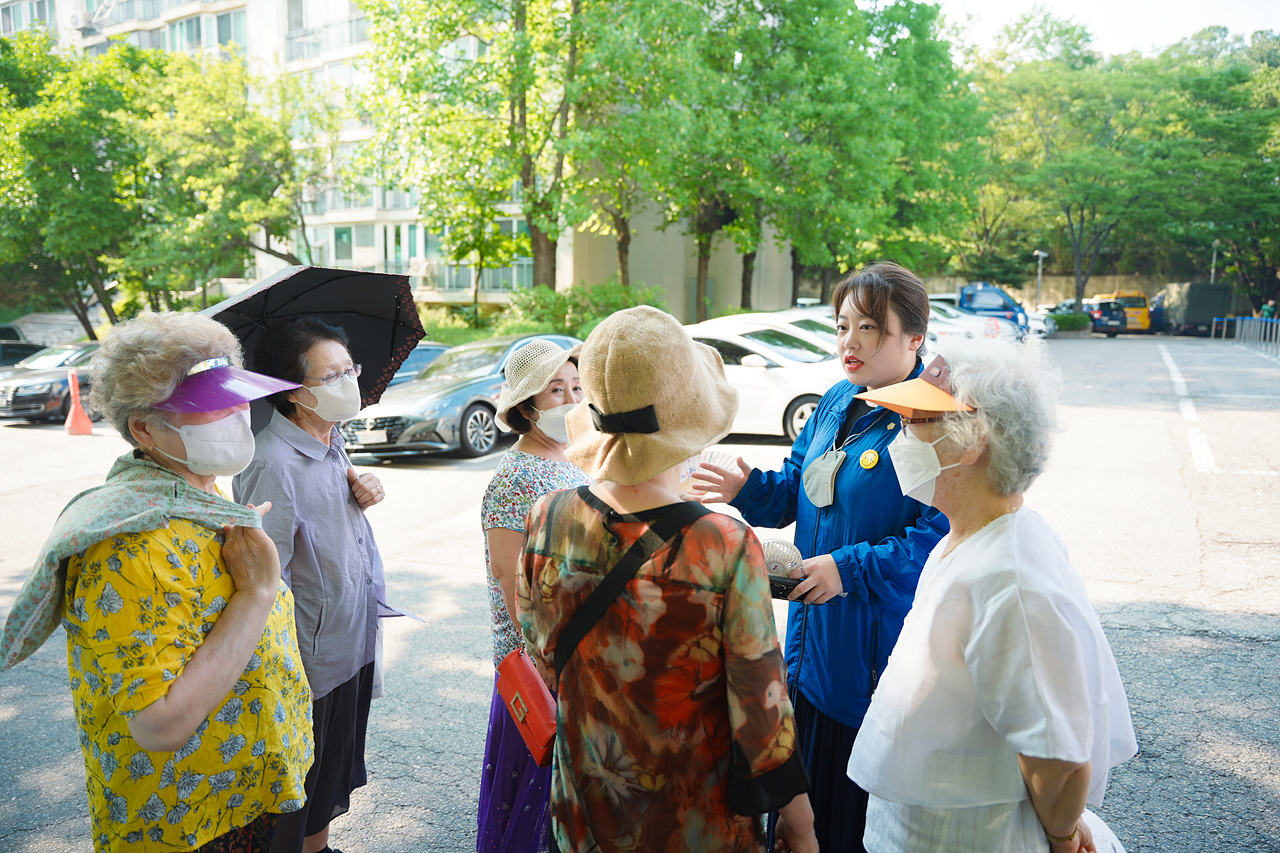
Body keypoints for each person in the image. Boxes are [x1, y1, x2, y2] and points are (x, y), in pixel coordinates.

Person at [0, 312, 313, 852]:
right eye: (209, 404)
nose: (239, 413)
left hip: (241, 796)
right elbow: (159, 726)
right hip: (182, 822)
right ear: (144, 428)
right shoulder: (127, 545)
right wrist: (258, 592)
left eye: (238, 396)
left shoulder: (199, 495)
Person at [517, 306, 817, 853]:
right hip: (695, 821)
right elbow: (762, 710)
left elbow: (541, 648)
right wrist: (800, 825)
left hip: (584, 807)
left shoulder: (548, 515)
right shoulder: (722, 545)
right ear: (688, 418)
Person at [694, 262, 949, 852]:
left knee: (849, 826)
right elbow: (797, 486)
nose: (849, 342)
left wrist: (848, 567)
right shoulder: (837, 399)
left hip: (872, 664)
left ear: (914, 338)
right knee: (797, 821)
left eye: (869, 328)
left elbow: (938, 537)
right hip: (807, 654)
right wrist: (746, 489)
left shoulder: (934, 416)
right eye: (841, 326)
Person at [847, 338, 1138, 852]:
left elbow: (1059, 758)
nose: (901, 435)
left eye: (917, 421)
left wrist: (1065, 836)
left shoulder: (1011, 578)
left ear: (972, 438)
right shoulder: (971, 537)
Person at [233, 316, 388, 853]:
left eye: (351, 369)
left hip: (350, 638)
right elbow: (262, 579)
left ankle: (319, 847)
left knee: (332, 772)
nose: (349, 383)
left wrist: (365, 488)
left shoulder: (330, 438)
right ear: (294, 393)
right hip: (307, 659)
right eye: (332, 376)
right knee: (301, 779)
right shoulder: (271, 462)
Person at [476, 339, 591, 853]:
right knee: (533, 791)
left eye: (576, 387)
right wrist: (547, 659)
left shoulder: (573, 460)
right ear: (526, 407)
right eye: (554, 391)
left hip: (576, 648)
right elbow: (509, 579)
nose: (569, 399)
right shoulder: (514, 478)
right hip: (537, 660)